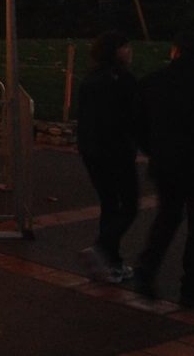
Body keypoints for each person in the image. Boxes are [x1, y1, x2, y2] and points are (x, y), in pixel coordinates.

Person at [132, 32, 194, 307]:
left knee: (167, 217)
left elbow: (138, 122)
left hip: (166, 164)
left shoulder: (154, 83)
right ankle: (191, 288)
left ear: (174, 51)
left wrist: (153, 149)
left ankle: (146, 269)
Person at [76, 32, 139, 283]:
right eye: (125, 47)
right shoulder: (123, 80)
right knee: (129, 205)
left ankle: (111, 263)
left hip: (91, 151)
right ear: (115, 52)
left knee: (110, 204)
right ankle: (101, 250)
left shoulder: (90, 79)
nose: (130, 51)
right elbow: (134, 117)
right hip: (117, 151)